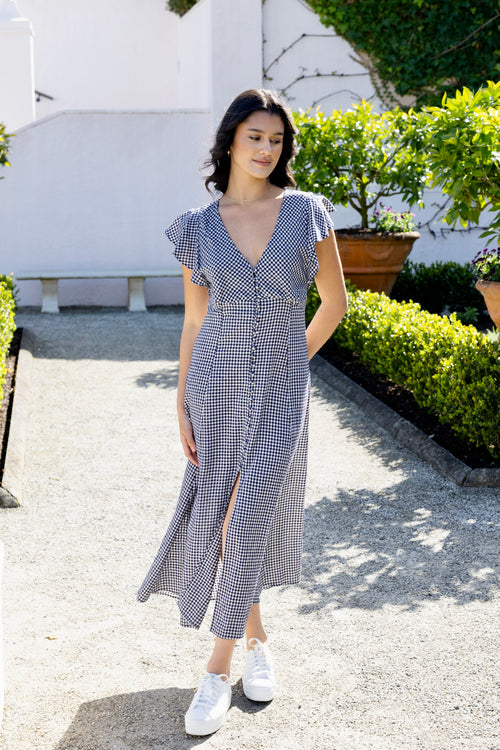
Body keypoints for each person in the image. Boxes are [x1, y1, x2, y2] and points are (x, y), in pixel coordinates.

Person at [137, 88, 348, 736]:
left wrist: (294, 363)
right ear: (230, 140)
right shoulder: (197, 227)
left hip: (282, 392)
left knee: (243, 516)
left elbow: (335, 304)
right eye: (255, 136)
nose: (265, 149)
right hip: (215, 389)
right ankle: (259, 642)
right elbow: (195, 322)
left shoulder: (308, 213)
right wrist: (180, 402)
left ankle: (215, 670)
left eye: (276, 140)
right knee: (228, 522)